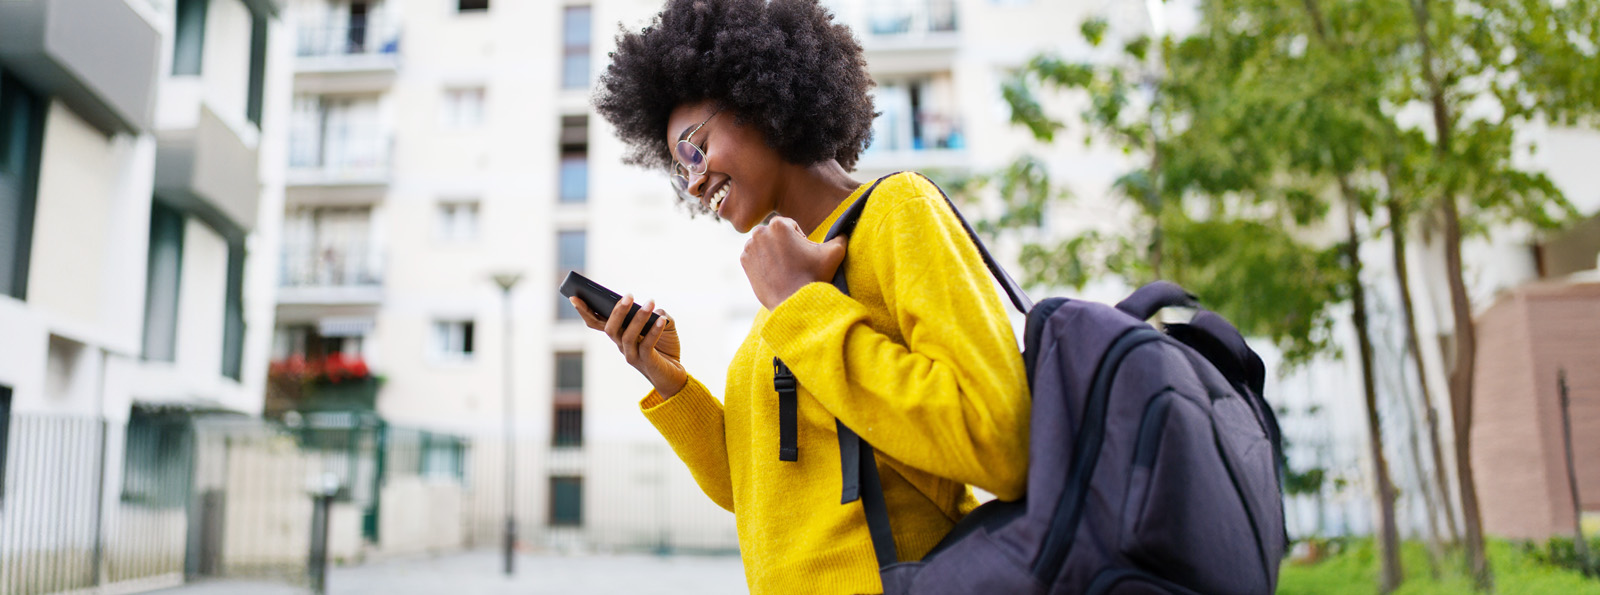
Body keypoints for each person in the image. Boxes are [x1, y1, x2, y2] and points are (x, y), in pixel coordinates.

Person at [574, 1, 1029, 592]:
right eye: (677, 169)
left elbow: (998, 437)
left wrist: (803, 308)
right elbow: (756, 491)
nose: (692, 180)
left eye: (694, 147)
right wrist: (669, 380)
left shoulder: (896, 211)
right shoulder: (781, 294)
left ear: (759, 101)